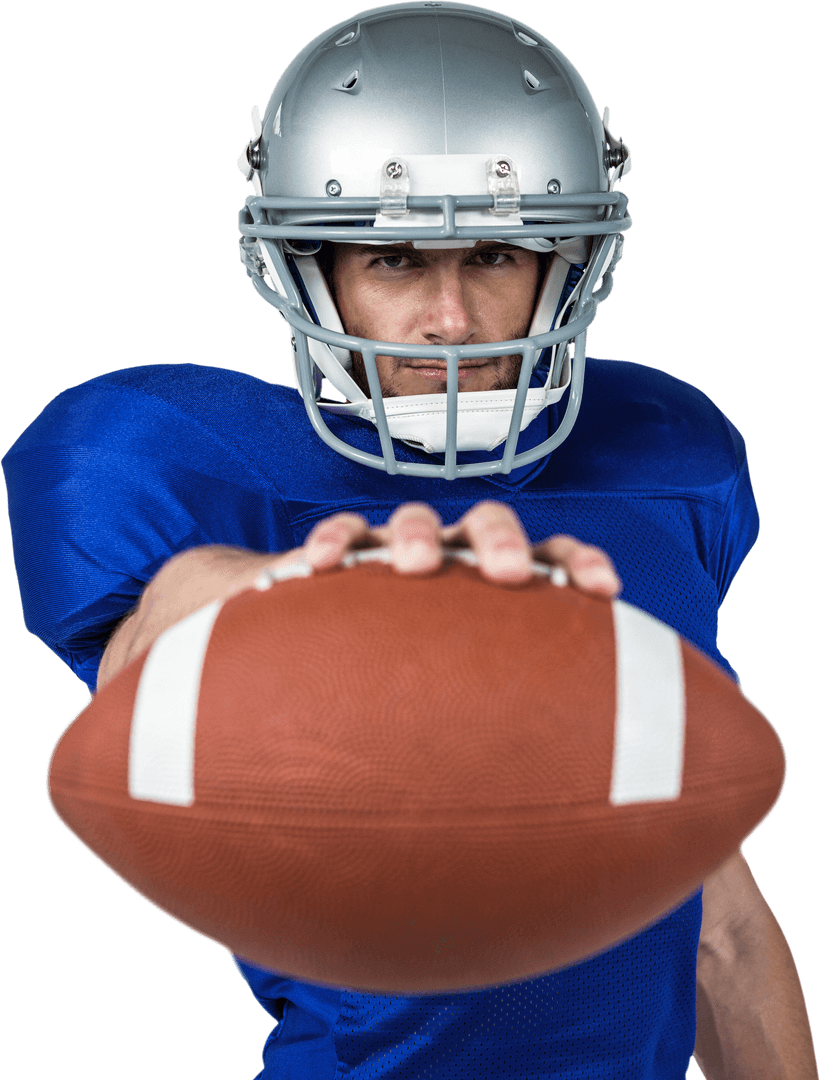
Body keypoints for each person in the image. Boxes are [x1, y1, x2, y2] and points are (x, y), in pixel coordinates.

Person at [2, 2, 816, 1077]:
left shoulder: (666, 466)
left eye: (493, 253)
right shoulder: (178, 464)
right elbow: (144, 678)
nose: (450, 320)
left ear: (568, 262)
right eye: (393, 263)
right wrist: (293, 587)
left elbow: (718, 924)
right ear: (309, 270)